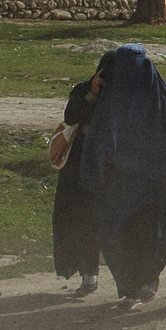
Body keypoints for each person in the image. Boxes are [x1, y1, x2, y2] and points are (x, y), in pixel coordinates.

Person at [80, 45, 166, 310]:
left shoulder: (156, 96)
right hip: (116, 182)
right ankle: (129, 288)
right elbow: (94, 135)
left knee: (148, 233)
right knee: (114, 234)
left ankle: (147, 281)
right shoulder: (109, 96)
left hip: (149, 180)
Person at [51, 70, 102, 296]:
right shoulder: (84, 89)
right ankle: (88, 274)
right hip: (78, 165)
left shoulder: (123, 94)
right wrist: (91, 94)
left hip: (108, 165)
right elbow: (70, 117)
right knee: (79, 218)